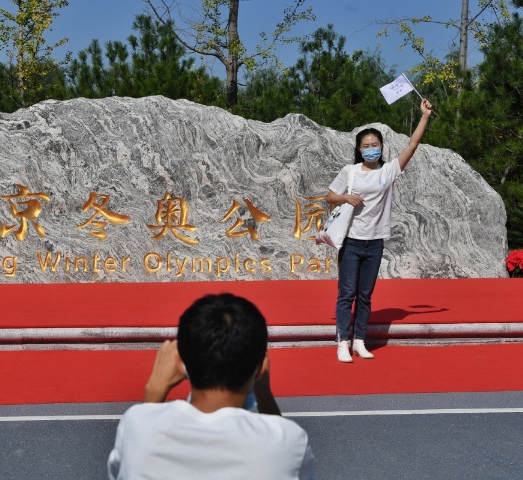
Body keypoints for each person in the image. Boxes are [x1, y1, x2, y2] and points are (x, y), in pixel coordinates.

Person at [107, 293, 315, 480]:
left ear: (180, 363)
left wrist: (154, 389)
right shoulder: (290, 441)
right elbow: (279, 439)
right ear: (259, 370)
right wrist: (264, 392)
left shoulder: (136, 425)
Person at [325, 98, 433, 363]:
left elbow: (413, 145)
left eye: (375, 145)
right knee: (346, 293)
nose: (371, 149)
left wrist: (424, 117)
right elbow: (329, 197)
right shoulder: (350, 172)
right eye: (366, 146)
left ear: (381, 148)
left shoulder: (389, 171)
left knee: (365, 295)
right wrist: (346, 198)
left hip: (374, 243)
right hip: (351, 241)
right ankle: (342, 342)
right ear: (359, 149)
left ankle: (360, 341)